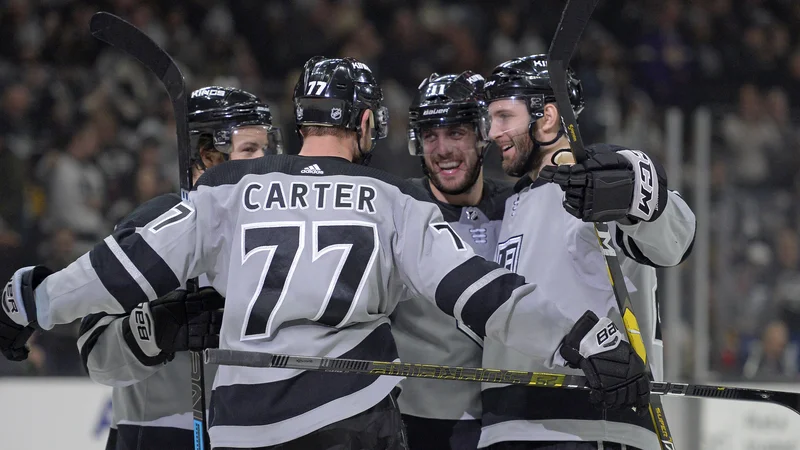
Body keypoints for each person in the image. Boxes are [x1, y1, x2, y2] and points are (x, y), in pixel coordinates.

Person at [0, 56, 649, 450]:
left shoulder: (227, 191)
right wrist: (591, 342)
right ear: (366, 123)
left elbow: (118, 272)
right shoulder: (392, 200)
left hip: (237, 430)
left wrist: (32, 301)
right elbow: (486, 298)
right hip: (345, 422)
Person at [482, 54, 697, 449]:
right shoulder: (513, 204)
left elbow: (676, 242)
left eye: (503, 116)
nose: (492, 132)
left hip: (591, 425)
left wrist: (635, 190)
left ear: (546, 117)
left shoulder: (598, 185)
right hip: (507, 426)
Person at [78, 86, 283, 450]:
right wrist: (157, 331)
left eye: (267, 149)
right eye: (250, 150)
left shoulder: (282, 236)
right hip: (158, 434)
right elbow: (96, 356)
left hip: (255, 435)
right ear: (207, 156)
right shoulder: (150, 231)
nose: (265, 163)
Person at [392, 70, 512, 450]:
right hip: (422, 424)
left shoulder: (522, 205)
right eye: (430, 136)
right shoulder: (395, 209)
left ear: (481, 136)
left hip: (514, 419)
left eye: (456, 133)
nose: (442, 149)